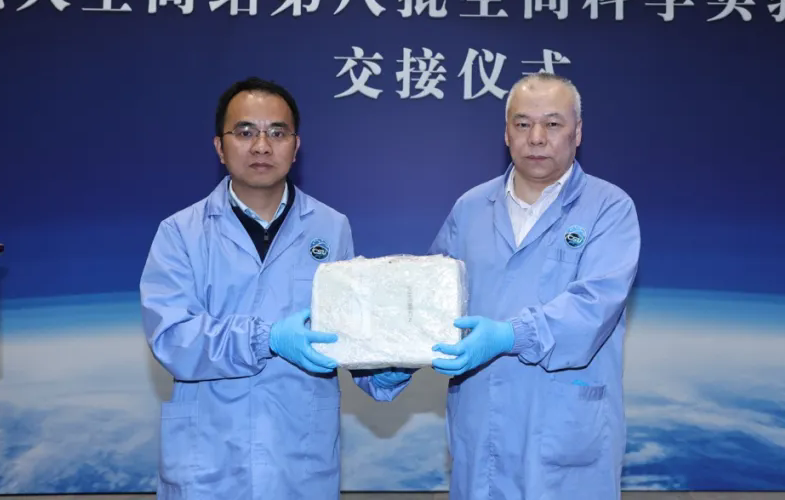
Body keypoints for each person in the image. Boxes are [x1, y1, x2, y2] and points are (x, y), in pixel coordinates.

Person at [139, 77, 412, 500]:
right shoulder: (180, 233)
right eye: (246, 132)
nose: (262, 146)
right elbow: (173, 339)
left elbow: (344, 330)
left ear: (296, 146)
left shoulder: (331, 227)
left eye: (277, 133)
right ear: (220, 147)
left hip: (298, 460)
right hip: (210, 463)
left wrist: (384, 367)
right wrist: (266, 338)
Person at [427, 71, 642, 500]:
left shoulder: (610, 208)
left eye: (553, 124)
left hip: (564, 431)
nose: (537, 137)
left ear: (577, 133)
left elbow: (592, 307)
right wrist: (388, 360)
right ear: (506, 134)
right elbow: (433, 299)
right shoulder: (470, 208)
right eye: (523, 124)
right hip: (482, 428)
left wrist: (509, 335)